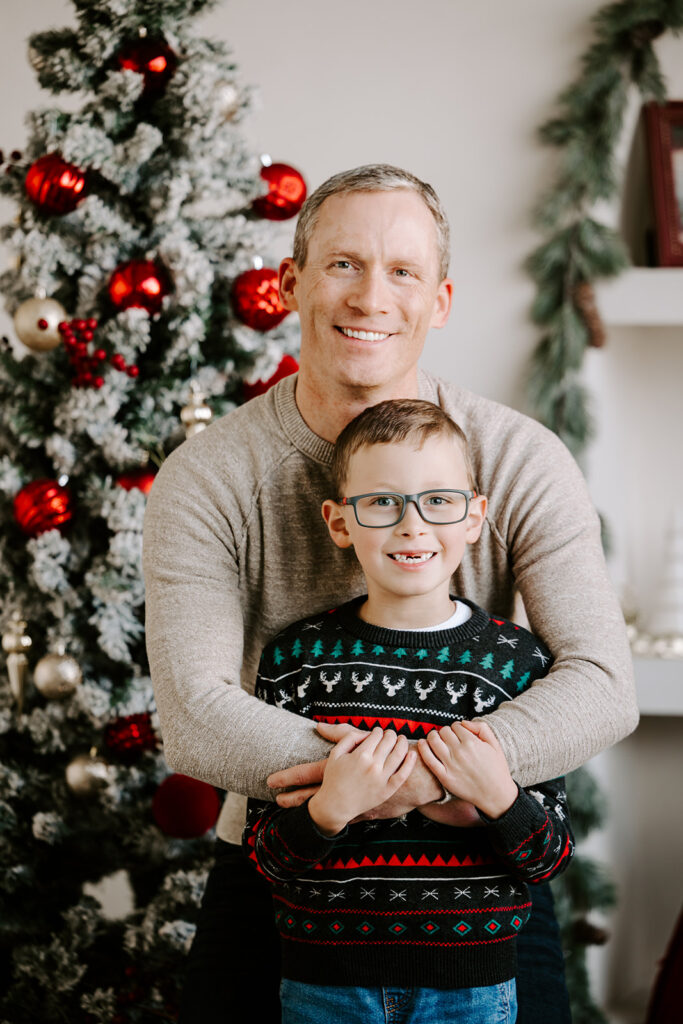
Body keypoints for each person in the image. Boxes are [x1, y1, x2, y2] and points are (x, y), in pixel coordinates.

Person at [142, 164, 638, 1023]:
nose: (370, 296)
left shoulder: (519, 458)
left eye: (402, 271)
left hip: (481, 876)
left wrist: (408, 775)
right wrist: (369, 780)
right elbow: (192, 709)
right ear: (291, 282)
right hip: (283, 864)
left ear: (439, 300)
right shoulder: (209, 475)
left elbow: (601, 684)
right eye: (342, 264)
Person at [244, 397, 576, 1024]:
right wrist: (331, 807)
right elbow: (265, 857)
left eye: (439, 500)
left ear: (475, 517)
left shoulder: (514, 663)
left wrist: (497, 799)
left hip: (473, 992)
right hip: (323, 988)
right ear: (340, 522)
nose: (412, 526)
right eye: (382, 502)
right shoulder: (296, 658)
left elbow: (551, 854)